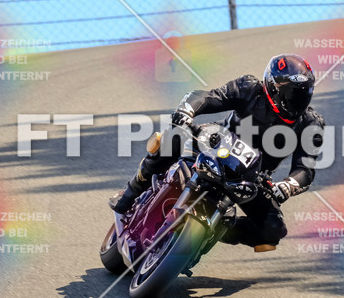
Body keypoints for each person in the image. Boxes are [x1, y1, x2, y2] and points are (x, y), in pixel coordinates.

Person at [109, 53, 325, 249]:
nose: (297, 101)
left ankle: (220, 229)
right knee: (175, 136)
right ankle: (131, 192)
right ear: (272, 86)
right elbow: (209, 97)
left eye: (304, 94)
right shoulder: (249, 88)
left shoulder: (311, 123)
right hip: (213, 144)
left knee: (273, 230)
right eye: (291, 94)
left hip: (250, 177)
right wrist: (187, 110)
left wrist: (286, 186)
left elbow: (305, 170)